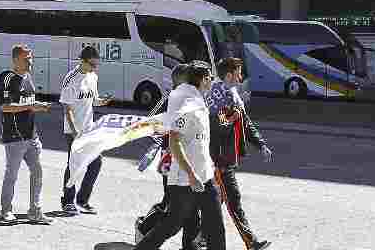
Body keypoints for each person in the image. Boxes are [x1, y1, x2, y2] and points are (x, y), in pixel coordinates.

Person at [134, 62, 226, 250]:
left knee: (212, 224)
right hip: (183, 175)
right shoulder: (179, 101)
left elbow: (199, 138)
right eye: (209, 77)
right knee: (174, 222)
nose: (212, 81)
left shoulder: (198, 100)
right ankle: (144, 234)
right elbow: (157, 128)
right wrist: (166, 147)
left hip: (202, 174)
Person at [209, 58, 273, 250]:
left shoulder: (233, 95)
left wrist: (260, 144)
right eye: (238, 73)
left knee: (214, 203)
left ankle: (199, 237)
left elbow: (246, 122)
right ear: (229, 75)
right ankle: (251, 242)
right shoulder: (218, 97)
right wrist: (232, 117)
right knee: (233, 200)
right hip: (219, 159)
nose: (241, 76)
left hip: (226, 158)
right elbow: (218, 127)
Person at [0, 44, 51, 225]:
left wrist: (39, 105)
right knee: (11, 175)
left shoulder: (28, 77)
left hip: (31, 136)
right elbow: (5, 107)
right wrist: (30, 106)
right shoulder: (8, 78)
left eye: (31, 58)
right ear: (15, 60)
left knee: (37, 172)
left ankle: (34, 210)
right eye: (26, 59)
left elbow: (28, 101)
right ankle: (6, 211)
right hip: (14, 137)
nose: (30, 62)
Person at [59, 45, 112, 214]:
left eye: (96, 65)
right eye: (91, 64)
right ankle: (68, 201)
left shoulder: (92, 76)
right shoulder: (71, 78)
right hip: (73, 131)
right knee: (74, 165)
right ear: (82, 61)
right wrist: (75, 132)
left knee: (96, 163)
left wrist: (101, 101)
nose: (94, 68)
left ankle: (82, 200)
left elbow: (93, 100)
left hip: (89, 129)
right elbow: (66, 107)